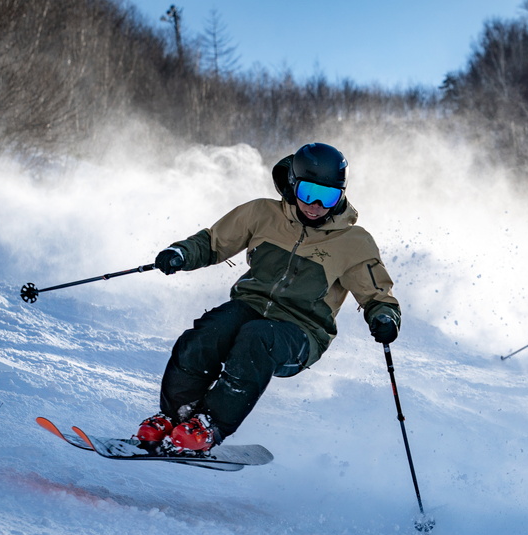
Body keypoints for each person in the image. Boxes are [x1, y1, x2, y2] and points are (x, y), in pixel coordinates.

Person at [136, 142, 401, 454]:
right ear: (293, 185)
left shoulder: (354, 241)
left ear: (341, 194)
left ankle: (209, 424)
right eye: (307, 192)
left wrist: (383, 316)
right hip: (250, 306)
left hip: (302, 331)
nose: (315, 205)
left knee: (256, 338)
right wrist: (182, 253)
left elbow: (377, 294)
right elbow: (213, 242)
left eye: (328, 196)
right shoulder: (262, 213)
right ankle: (175, 416)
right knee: (209, 331)